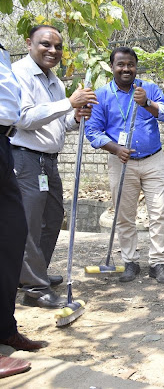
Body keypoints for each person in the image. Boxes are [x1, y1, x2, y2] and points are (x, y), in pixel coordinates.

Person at [11, 25, 95, 309]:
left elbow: (61, 124)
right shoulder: (19, 74)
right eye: (46, 44)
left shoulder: (54, 81)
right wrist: (68, 102)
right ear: (29, 43)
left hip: (48, 160)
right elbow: (23, 118)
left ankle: (35, 274)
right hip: (25, 158)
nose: (53, 51)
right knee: (29, 224)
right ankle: (34, 288)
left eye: (58, 47)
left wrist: (76, 116)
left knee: (53, 217)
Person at [85, 47, 164, 284]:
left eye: (130, 65)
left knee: (159, 213)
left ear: (136, 66)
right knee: (125, 216)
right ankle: (131, 262)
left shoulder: (149, 88)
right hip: (120, 161)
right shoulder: (102, 95)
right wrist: (115, 148)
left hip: (153, 160)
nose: (126, 69)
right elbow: (92, 131)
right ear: (112, 66)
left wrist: (147, 103)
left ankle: (158, 263)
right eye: (120, 64)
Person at [0, 31, 44, 376]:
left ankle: (5, 329)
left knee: (12, 237)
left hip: (3, 143)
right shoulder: (22, 71)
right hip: (18, 149)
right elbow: (28, 116)